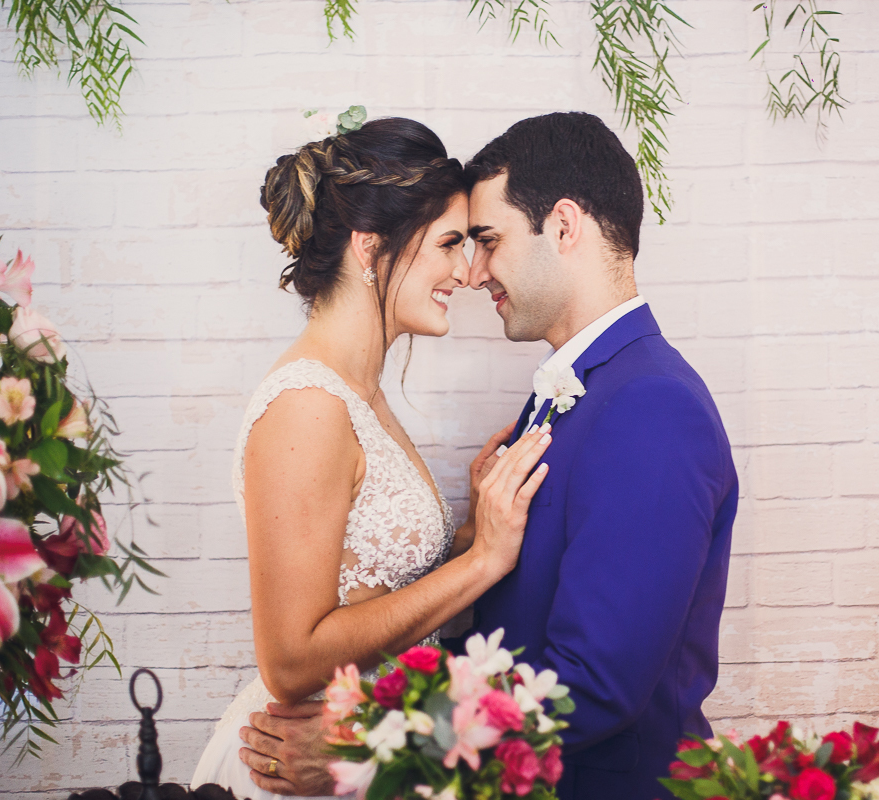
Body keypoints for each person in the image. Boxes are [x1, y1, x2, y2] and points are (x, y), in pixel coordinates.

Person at [240, 111, 737, 800]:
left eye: (487, 240)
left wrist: (380, 741)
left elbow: (595, 683)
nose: (472, 272)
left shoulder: (651, 405)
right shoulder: (581, 390)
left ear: (564, 228)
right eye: (454, 243)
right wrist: (477, 541)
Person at [190, 117, 553, 799]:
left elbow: (372, 594)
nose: (468, 271)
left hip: (360, 747)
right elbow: (293, 661)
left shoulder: (361, 393)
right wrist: (482, 562)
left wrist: (474, 529)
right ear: (369, 247)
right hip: (299, 770)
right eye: (449, 243)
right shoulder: (308, 406)